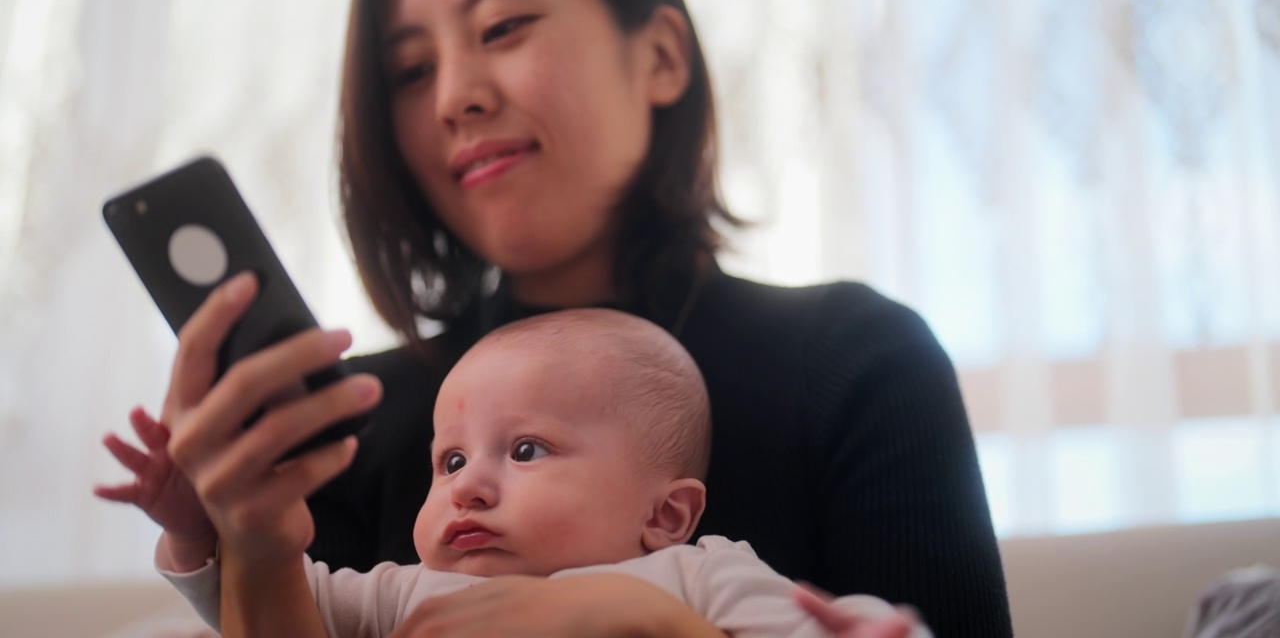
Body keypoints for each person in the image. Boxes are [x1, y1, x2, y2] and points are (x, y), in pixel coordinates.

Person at [97, 0, 1013, 635]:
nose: (455, 94)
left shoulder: (853, 362)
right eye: (411, 70)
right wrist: (243, 544)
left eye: (503, 25)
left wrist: (650, 621)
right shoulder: (341, 427)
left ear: (658, 56)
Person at [104, 308, 928, 638]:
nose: (467, 485)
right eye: (450, 460)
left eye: (526, 450)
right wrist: (201, 527)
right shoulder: (404, 593)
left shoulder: (697, 574)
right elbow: (268, 603)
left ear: (668, 515)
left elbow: (811, 626)